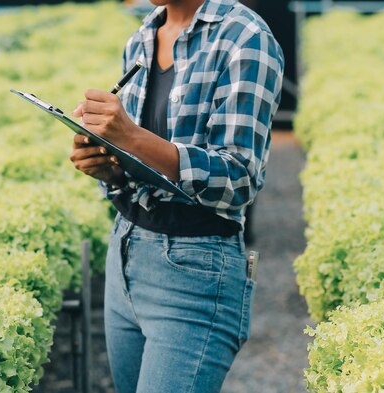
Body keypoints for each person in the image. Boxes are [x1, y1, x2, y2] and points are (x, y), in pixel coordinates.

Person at [69, 0, 284, 392]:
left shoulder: (245, 38)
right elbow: (143, 168)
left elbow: (238, 178)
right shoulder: (142, 38)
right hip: (126, 251)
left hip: (195, 268)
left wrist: (131, 136)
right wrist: (109, 166)